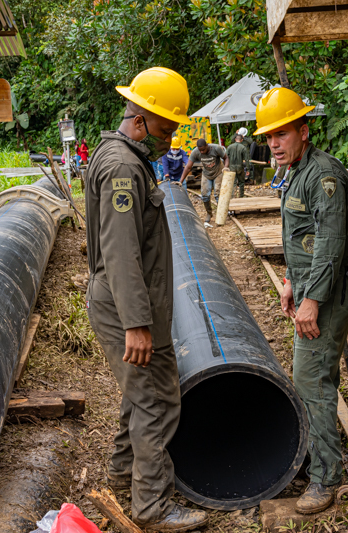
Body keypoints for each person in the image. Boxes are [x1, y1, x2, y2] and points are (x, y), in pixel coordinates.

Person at [84, 66, 207, 532]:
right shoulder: (122, 167)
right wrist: (136, 323)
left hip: (136, 305)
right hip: (125, 308)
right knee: (154, 401)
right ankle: (152, 507)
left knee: (145, 393)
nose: (170, 139)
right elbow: (120, 252)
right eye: (164, 129)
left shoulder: (121, 156)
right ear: (139, 119)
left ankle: (122, 471)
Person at [254, 87, 348, 515]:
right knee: (311, 375)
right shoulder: (296, 172)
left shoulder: (323, 176)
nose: (274, 144)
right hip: (310, 285)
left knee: (312, 380)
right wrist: (287, 281)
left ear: (304, 130)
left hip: (329, 290)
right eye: (268, 137)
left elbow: (331, 245)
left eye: (281, 134)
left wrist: (312, 301)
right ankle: (318, 459)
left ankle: (325, 479)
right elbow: (301, 238)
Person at [180, 138, 229, 224]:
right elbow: (188, 167)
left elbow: (226, 158)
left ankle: (221, 214)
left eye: (203, 150)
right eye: (200, 150)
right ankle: (209, 213)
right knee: (205, 194)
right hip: (206, 174)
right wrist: (181, 181)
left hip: (218, 173)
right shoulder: (195, 152)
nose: (202, 152)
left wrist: (226, 166)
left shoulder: (216, 148)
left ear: (207, 145)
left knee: (217, 193)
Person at [225, 133, 249, 198]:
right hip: (240, 167)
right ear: (241, 140)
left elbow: (226, 157)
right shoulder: (243, 148)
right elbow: (246, 159)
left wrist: (226, 167)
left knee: (233, 183)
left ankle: (233, 196)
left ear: (235, 139)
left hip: (231, 167)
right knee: (241, 183)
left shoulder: (230, 147)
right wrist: (248, 169)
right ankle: (241, 196)